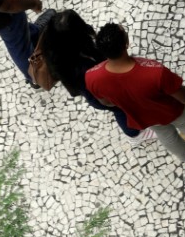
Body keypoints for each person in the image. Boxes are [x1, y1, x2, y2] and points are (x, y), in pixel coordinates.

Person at [86, 23, 185, 183]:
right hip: (174, 110)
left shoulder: (92, 77)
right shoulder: (153, 72)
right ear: (126, 44)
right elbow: (182, 95)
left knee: (166, 135)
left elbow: (106, 102)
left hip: (143, 116)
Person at [38, 10, 152, 145]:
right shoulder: (80, 67)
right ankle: (134, 135)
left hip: (94, 88)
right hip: (99, 94)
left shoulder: (56, 44)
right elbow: (103, 98)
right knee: (120, 110)